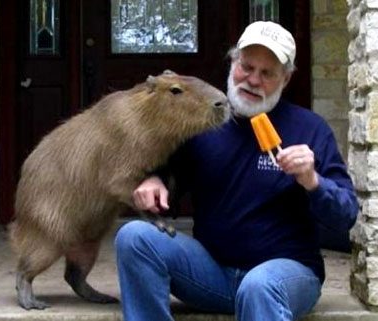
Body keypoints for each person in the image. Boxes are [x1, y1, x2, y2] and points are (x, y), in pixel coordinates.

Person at [114, 21, 359, 321]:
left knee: (259, 286)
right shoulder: (202, 124)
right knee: (134, 236)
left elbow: (345, 215)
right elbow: (169, 175)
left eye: (267, 73)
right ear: (233, 62)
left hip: (286, 274)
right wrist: (154, 180)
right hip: (211, 273)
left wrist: (312, 181)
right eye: (247, 66)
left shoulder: (310, 129)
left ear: (286, 79)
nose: (253, 80)